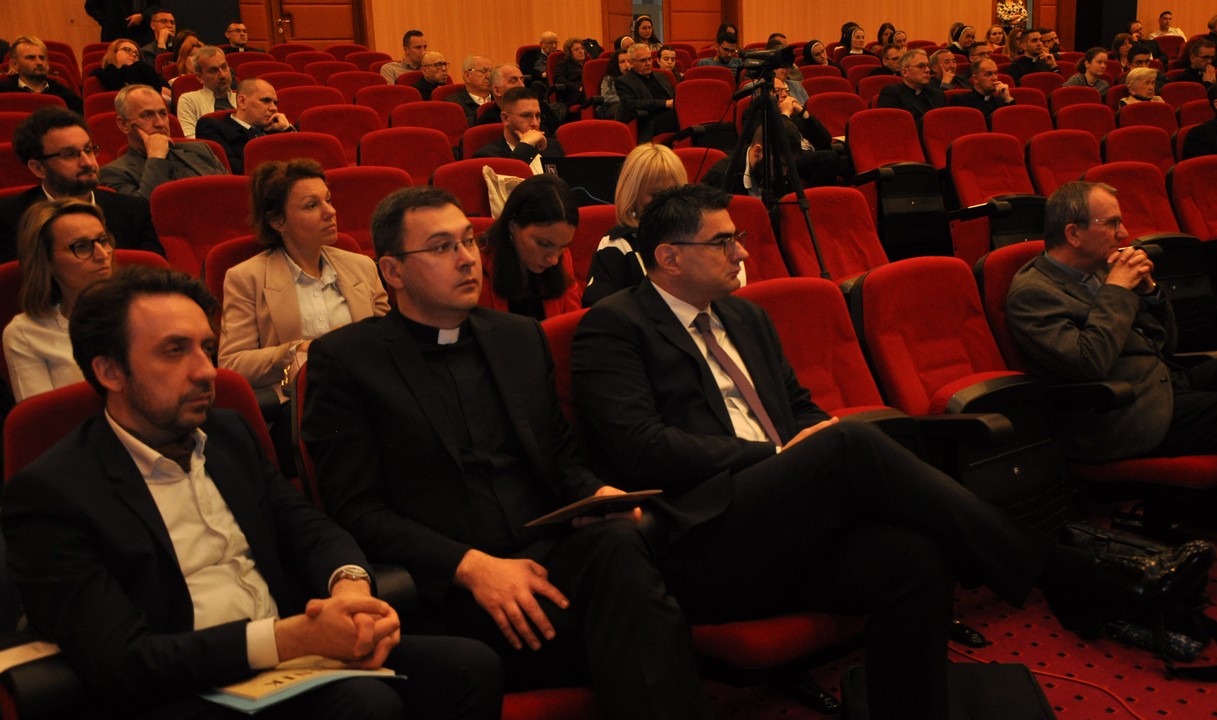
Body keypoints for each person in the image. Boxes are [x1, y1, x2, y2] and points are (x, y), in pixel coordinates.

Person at [571, 183, 1213, 720]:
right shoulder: (615, 325)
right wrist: (779, 456)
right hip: (704, 536)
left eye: (738, 236)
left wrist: (805, 442)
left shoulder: (745, 317)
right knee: (850, 441)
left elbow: (800, 408)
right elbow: (643, 447)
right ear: (669, 257)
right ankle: (1067, 574)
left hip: (785, 523)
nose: (742, 251)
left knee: (914, 559)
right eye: (723, 241)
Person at [2, 264, 503, 719]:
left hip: (292, 658)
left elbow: (308, 528)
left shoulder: (227, 434)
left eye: (206, 348)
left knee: (469, 666)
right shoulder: (51, 493)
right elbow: (122, 664)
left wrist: (349, 588)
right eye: (175, 351)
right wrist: (287, 639)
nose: (205, 370)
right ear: (110, 371)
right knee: (363, 705)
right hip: (183, 685)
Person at [302, 185, 714, 720]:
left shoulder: (517, 337)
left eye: (468, 242)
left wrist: (596, 494)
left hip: (545, 557)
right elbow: (356, 509)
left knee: (622, 543)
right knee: (640, 619)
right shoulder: (347, 361)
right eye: (442, 247)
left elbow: (562, 461)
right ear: (393, 271)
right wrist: (470, 567)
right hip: (451, 588)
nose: (467, 259)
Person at [1006, 180, 1217, 531]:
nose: (1124, 234)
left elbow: (1166, 343)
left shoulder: (1101, 269)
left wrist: (1150, 292)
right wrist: (1117, 290)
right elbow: (1088, 363)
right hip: (1120, 412)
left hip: (1164, 381)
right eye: (1112, 223)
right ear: (1073, 233)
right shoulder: (1033, 293)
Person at [219, 158, 389, 415]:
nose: (330, 212)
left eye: (328, 200)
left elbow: (389, 339)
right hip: (300, 404)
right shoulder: (246, 278)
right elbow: (233, 364)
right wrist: (296, 350)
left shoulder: (362, 266)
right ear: (277, 221)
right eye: (312, 205)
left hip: (367, 393)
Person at [2, 106, 163, 263]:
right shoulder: (8, 218)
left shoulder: (134, 211)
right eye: (69, 154)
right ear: (38, 168)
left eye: (88, 150)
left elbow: (154, 274)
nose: (87, 162)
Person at [4, 201, 114, 401]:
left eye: (103, 240)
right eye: (81, 247)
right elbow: (42, 418)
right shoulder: (25, 334)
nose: (102, 255)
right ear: (46, 261)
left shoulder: (146, 310)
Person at [584, 144, 688, 307]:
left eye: (674, 192)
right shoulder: (618, 245)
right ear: (633, 197)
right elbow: (597, 313)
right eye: (657, 195)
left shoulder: (694, 239)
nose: (667, 202)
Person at [476, 174, 580, 318]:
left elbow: (570, 323)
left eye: (563, 246)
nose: (554, 260)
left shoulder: (562, 258)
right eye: (543, 244)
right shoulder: (476, 268)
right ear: (513, 225)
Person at [100, 85, 228, 198]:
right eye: (147, 115)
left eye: (163, 114)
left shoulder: (200, 150)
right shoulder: (114, 173)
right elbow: (142, 211)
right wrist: (156, 158)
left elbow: (232, 193)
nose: (160, 123)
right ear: (123, 124)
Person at [196, 78, 294, 175]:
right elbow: (229, 168)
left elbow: (298, 165)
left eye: (275, 103)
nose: (274, 108)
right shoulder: (213, 127)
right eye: (266, 101)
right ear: (242, 102)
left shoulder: (276, 129)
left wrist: (287, 129)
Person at [473, 87, 565, 170]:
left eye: (537, 116)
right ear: (505, 118)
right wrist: (525, 146)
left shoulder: (552, 147)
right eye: (526, 115)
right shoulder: (488, 157)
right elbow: (507, 180)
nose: (535, 123)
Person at [0, 36, 83, 114]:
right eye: (31, 58)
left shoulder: (64, 95)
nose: (39, 62)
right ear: (15, 64)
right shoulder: (3, 92)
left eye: (42, 58)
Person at [617, 44, 677, 143]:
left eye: (649, 59)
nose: (648, 63)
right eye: (643, 60)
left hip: (672, 114)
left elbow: (675, 96)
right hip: (651, 120)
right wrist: (665, 103)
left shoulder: (661, 76)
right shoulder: (624, 81)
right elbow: (632, 104)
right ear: (631, 63)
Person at [176, 46, 236, 139]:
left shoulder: (242, 98)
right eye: (214, 70)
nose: (223, 75)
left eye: (224, 67)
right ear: (200, 77)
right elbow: (190, 139)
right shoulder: (189, 100)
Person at [89, 37, 169, 102]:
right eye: (127, 50)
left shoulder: (148, 73)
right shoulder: (101, 75)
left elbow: (169, 93)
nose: (133, 54)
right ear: (114, 53)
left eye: (137, 54)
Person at [879, 49, 948, 121]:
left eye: (928, 66)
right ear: (905, 72)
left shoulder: (938, 95)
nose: (927, 70)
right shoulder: (892, 94)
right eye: (921, 66)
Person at [949, 57, 1014, 119]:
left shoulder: (1001, 100)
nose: (994, 78)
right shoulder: (961, 101)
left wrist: (1008, 99)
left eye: (996, 73)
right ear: (975, 79)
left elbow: (1013, 122)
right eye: (988, 74)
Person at [446, 56, 494, 126]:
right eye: (483, 71)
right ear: (467, 76)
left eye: (491, 72)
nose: (489, 76)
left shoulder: (501, 101)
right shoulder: (453, 105)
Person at [83, 0, 155, 45]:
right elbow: (90, 6)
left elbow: (157, 5)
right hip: (113, 33)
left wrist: (143, 16)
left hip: (141, 32)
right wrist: (107, 21)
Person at [598, 51, 629, 120]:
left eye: (629, 61)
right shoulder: (608, 79)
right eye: (622, 62)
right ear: (616, 65)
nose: (627, 65)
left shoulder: (634, 77)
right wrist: (626, 99)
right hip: (612, 107)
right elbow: (606, 98)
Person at [558, 39, 587, 107]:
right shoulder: (563, 64)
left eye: (582, 48)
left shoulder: (588, 65)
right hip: (574, 94)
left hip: (588, 91)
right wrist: (577, 87)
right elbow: (559, 79)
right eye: (576, 50)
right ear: (569, 53)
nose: (581, 51)